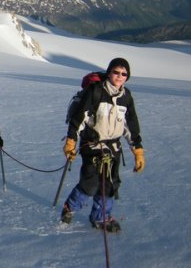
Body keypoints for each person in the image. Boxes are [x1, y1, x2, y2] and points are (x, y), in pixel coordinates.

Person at [61, 58, 145, 232]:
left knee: (110, 183)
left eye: (124, 74)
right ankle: (71, 207)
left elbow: (131, 125)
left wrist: (138, 151)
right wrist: (71, 141)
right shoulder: (96, 91)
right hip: (92, 145)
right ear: (109, 72)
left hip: (113, 147)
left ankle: (101, 217)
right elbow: (79, 118)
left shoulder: (126, 97)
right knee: (90, 183)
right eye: (116, 72)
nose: (119, 76)